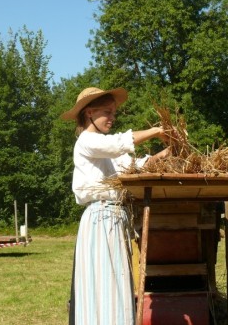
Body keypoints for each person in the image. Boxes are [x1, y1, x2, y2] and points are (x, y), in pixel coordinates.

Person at [61, 86, 171, 325]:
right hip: (100, 218)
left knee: (117, 281)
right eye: (107, 112)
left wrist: (165, 154)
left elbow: (138, 165)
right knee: (102, 282)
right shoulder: (87, 141)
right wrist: (154, 131)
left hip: (116, 219)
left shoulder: (109, 150)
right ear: (89, 112)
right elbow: (119, 143)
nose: (112, 118)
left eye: (114, 112)